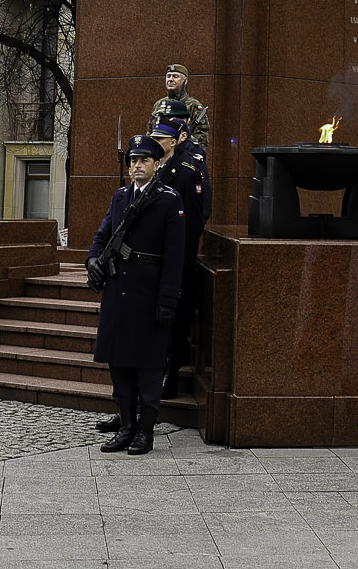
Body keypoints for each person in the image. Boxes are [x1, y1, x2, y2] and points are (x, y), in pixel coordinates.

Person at [87, 133, 187, 456]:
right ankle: (127, 427)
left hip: (148, 293)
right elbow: (102, 236)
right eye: (133, 160)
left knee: (149, 367)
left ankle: (145, 431)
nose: (137, 165)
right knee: (119, 364)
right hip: (119, 291)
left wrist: (168, 300)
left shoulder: (169, 200)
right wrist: (92, 261)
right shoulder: (120, 198)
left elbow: (175, 257)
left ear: (156, 164)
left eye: (144, 160)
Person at [152, 117, 208, 401]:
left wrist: (180, 264)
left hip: (177, 262)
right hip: (151, 261)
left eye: (160, 139)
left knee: (176, 320)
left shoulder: (187, 172)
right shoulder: (151, 169)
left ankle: (170, 376)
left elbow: (194, 222)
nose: (155, 142)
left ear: (174, 142)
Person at [149, 64, 210, 146]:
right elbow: (150, 131)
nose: (170, 79)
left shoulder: (193, 105)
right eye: (168, 76)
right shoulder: (159, 104)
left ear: (185, 81)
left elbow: (202, 137)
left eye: (175, 76)